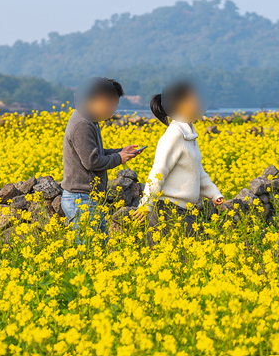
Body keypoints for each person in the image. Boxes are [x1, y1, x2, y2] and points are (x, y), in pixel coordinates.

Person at [138, 80, 224, 237]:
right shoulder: (175, 135)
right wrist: (146, 204)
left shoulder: (190, 134)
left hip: (184, 210)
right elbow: (158, 171)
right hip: (168, 211)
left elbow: (197, 171)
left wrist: (214, 194)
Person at [61, 77, 142, 238]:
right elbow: (92, 162)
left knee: (98, 248)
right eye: (111, 104)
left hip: (88, 198)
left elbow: (96, 152)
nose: (113, 110)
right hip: (81, 198)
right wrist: (119, 158)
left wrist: (121, 152)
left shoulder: (90, 120)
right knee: (88, 253)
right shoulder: (82, 123)